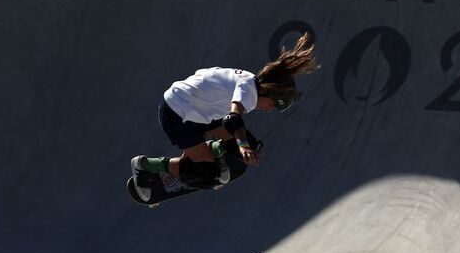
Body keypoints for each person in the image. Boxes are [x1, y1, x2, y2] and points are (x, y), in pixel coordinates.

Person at [131, 32, 320, 202]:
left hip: (194, 109)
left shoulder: (250, 81)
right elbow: (232, 120)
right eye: (272, 104)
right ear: (266, 91)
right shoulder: (248, 90)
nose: (269, 109)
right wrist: (243, 146)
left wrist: (243, 144)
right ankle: (147, 166)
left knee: (243, 143)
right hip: (177, 115)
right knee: (207, 175)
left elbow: (229, 121)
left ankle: (208, 153)